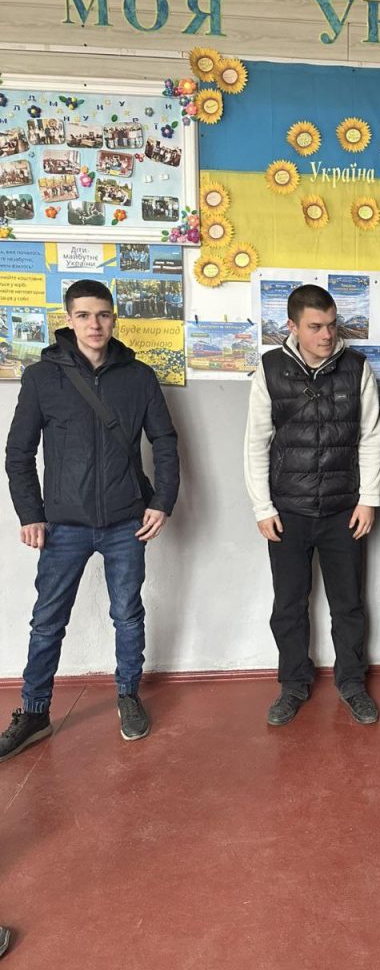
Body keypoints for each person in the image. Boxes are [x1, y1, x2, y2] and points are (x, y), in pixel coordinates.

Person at [1, 279, 179, 762]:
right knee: (47, 621)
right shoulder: (42, 377)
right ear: (69, 320)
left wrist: (162, 501)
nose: (94, 324)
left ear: (114, 318)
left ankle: (128, 695)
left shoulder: (139, 377)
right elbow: (18, 452)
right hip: (63, 524)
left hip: (126, 521)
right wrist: (30, 513)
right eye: (83, 315)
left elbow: (165, 442)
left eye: (102, 314)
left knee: (127, 614)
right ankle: (34, 712)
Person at [244, 284, 380, 726]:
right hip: (288, 511)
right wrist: (262, 508)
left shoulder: (356, 368)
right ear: (292, 326)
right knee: (288, 604)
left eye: (332, 325)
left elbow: (370, 437)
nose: (326, 335)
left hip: (344, 510)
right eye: (316, 326)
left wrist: (369, 500)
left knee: (349, 604)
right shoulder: (270, 369)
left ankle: (352, 683)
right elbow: (256, 443)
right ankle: (293, 684)